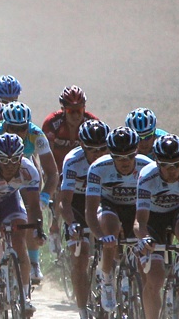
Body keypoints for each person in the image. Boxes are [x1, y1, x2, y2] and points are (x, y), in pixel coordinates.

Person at [0, 101, 58, 284]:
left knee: (30, 213)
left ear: (28, 126)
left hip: (24, 171)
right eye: (12, 128)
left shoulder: (36, 134)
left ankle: (34, 261)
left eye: (22, 128)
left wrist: (44, 197)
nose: (17, 133)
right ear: (4, 126)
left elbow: (52, 173)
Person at [0, 133, 45, 311]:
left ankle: (25, 295)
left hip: (11, 201)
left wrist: (38, 230)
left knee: (20, 241)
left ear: (21, 157)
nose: (10, 166)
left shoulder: (29, 170)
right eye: (5, 161)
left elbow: (34, 206)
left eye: (14, 161)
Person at [85, 126, 151, 314]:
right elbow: (90, 211)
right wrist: (100, 236)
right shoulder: (98, 168)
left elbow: (152, 208)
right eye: (119, 158)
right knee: (110, 229)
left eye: (130, 156)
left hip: (136, 208)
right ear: (110, 154)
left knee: (142, 254)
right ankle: (106, 279)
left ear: (136, 152)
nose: (125, 162)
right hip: (109, 205)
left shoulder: (146, 166)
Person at [136, 135, 179, 319]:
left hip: (178, 211)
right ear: (157, 163)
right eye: (165, 165)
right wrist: (144, 239)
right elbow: (140, 221)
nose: (172, 171)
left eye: (177, 165)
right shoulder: (147, 176)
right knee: (154, 278)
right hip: (152, 219)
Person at [58, 119, 110, 319]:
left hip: (103, 200)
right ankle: (82, 311)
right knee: (80, 258)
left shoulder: (113, 159)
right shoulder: (73, 161)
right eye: (92, 150)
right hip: (78, 204)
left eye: (102, 149)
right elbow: (64, 203)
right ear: (82, 146)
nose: (98, 154)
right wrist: (72, 225)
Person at [42, 85, 99, 169]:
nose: (75, 115)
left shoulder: (93, 124)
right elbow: (47, 155)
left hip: (83, 169)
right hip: (57, 168)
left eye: (79, 110)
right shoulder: (51, 123)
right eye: (71, 111)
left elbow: (99, 154)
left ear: (84, 109)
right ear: (63, 109)